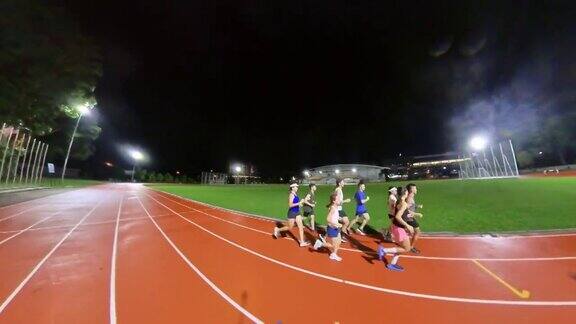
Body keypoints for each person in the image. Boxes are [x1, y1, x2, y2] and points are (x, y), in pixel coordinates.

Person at [377, 188, 414, 271]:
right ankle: (384, 250)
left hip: (396, 227)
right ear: (405, 193)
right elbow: (397, 216)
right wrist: (407, 225)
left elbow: (397, 214)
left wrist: (407, 216)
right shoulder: (403, 203)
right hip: (399, 229)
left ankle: (392, 264)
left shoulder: (398, 201)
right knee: (407, 248)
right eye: (407, 191)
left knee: (401, 247)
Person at [273, 182, 310, 247]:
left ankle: (302, 242)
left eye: (297, 186)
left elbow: (298, 204)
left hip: (297, 212)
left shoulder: (295, 194)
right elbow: (290, 205)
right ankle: (277, 229)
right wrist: (299, 203)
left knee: (301, 227)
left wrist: (302, 202)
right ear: (292, 188)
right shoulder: (291, 195)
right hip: (292, 213)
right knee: (290, 227)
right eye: (296, 187)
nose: (297, 188)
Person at [313, 192, 343, 261]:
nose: (340, 200)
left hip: (336, 228)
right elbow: (328, 219)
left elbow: (333, 217)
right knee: (334, 245)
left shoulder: (335, 207)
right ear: (334, 201)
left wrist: (338, 219)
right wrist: (336, 224)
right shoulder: (333, 208)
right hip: (332, 228)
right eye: (338, 199)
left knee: (339, 242)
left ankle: (333, 254)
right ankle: (320, 244)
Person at [406, 183, 424, 254]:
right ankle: (411, 247)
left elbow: (411, 206)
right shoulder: (410, 198)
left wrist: (417, 206)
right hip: (409, 218)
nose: (416, 189)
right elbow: (406, 210)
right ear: (411, 190)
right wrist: (417, 214)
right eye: (415, 188)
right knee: (417, 232)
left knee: (412, 231)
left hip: (410, 217)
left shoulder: (411, 197)